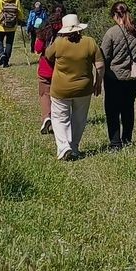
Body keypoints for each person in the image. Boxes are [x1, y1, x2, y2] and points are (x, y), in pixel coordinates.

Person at [43, 13, 104, 160]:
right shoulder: (90, 42)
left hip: (61, 88)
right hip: (84, 88)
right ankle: (74, 147)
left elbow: (47, 55)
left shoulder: (59, 43)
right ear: (79, 28)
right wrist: (98, 82)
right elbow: (100, 65)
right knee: (79, 118)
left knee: (59, 118)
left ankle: (64, 147)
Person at [99, 2, 136, 150]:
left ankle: (115, 143)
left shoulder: (112, 33)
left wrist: (99, 77)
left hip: (114, 77)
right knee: (128, 107)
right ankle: (127, 140)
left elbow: (104, 57)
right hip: (135, 78)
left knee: (112, 110)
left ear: (115, 15)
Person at [33, 16, 60, 135]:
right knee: (57, 97)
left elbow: (37, 49)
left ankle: (46, 117)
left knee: (44, 94)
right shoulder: (63, 34)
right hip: (59, 70)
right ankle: (56, 121)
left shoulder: (44, 34)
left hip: (45, 69)